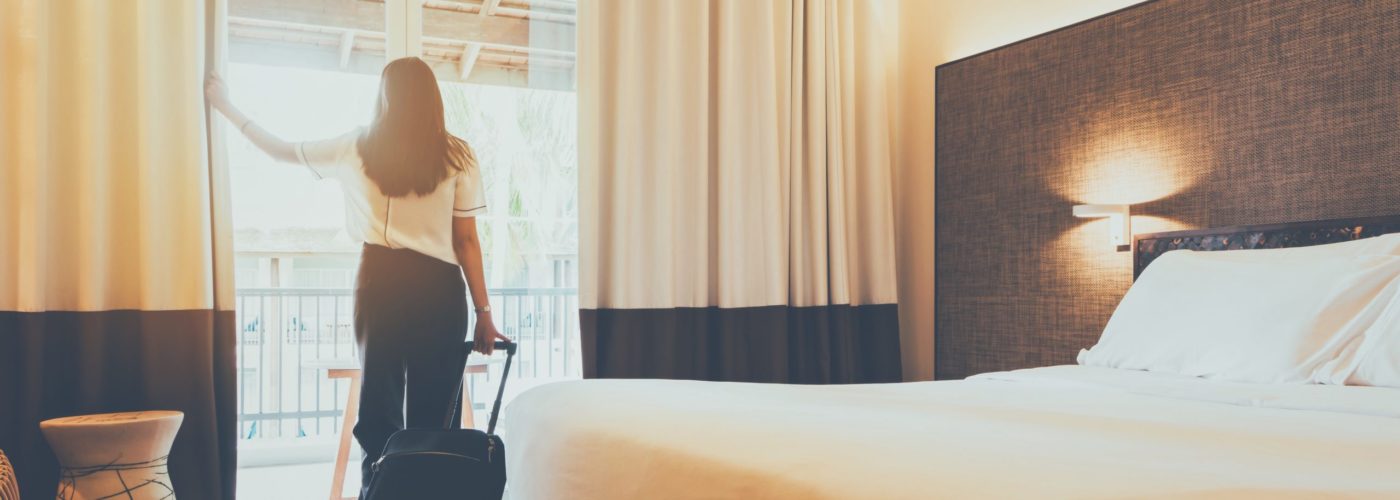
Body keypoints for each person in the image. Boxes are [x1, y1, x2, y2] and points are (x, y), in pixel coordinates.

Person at [205, 57, 511, 498]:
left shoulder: (357, 147)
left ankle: (378, 490)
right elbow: (466, 241)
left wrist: (227, 106)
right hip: (438, 289)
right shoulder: (456, 155)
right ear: (432, 99)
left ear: (383, 98)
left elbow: (279, 149)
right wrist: (484, 312)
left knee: (379, 409)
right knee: (435, 410)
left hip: (379, 282)